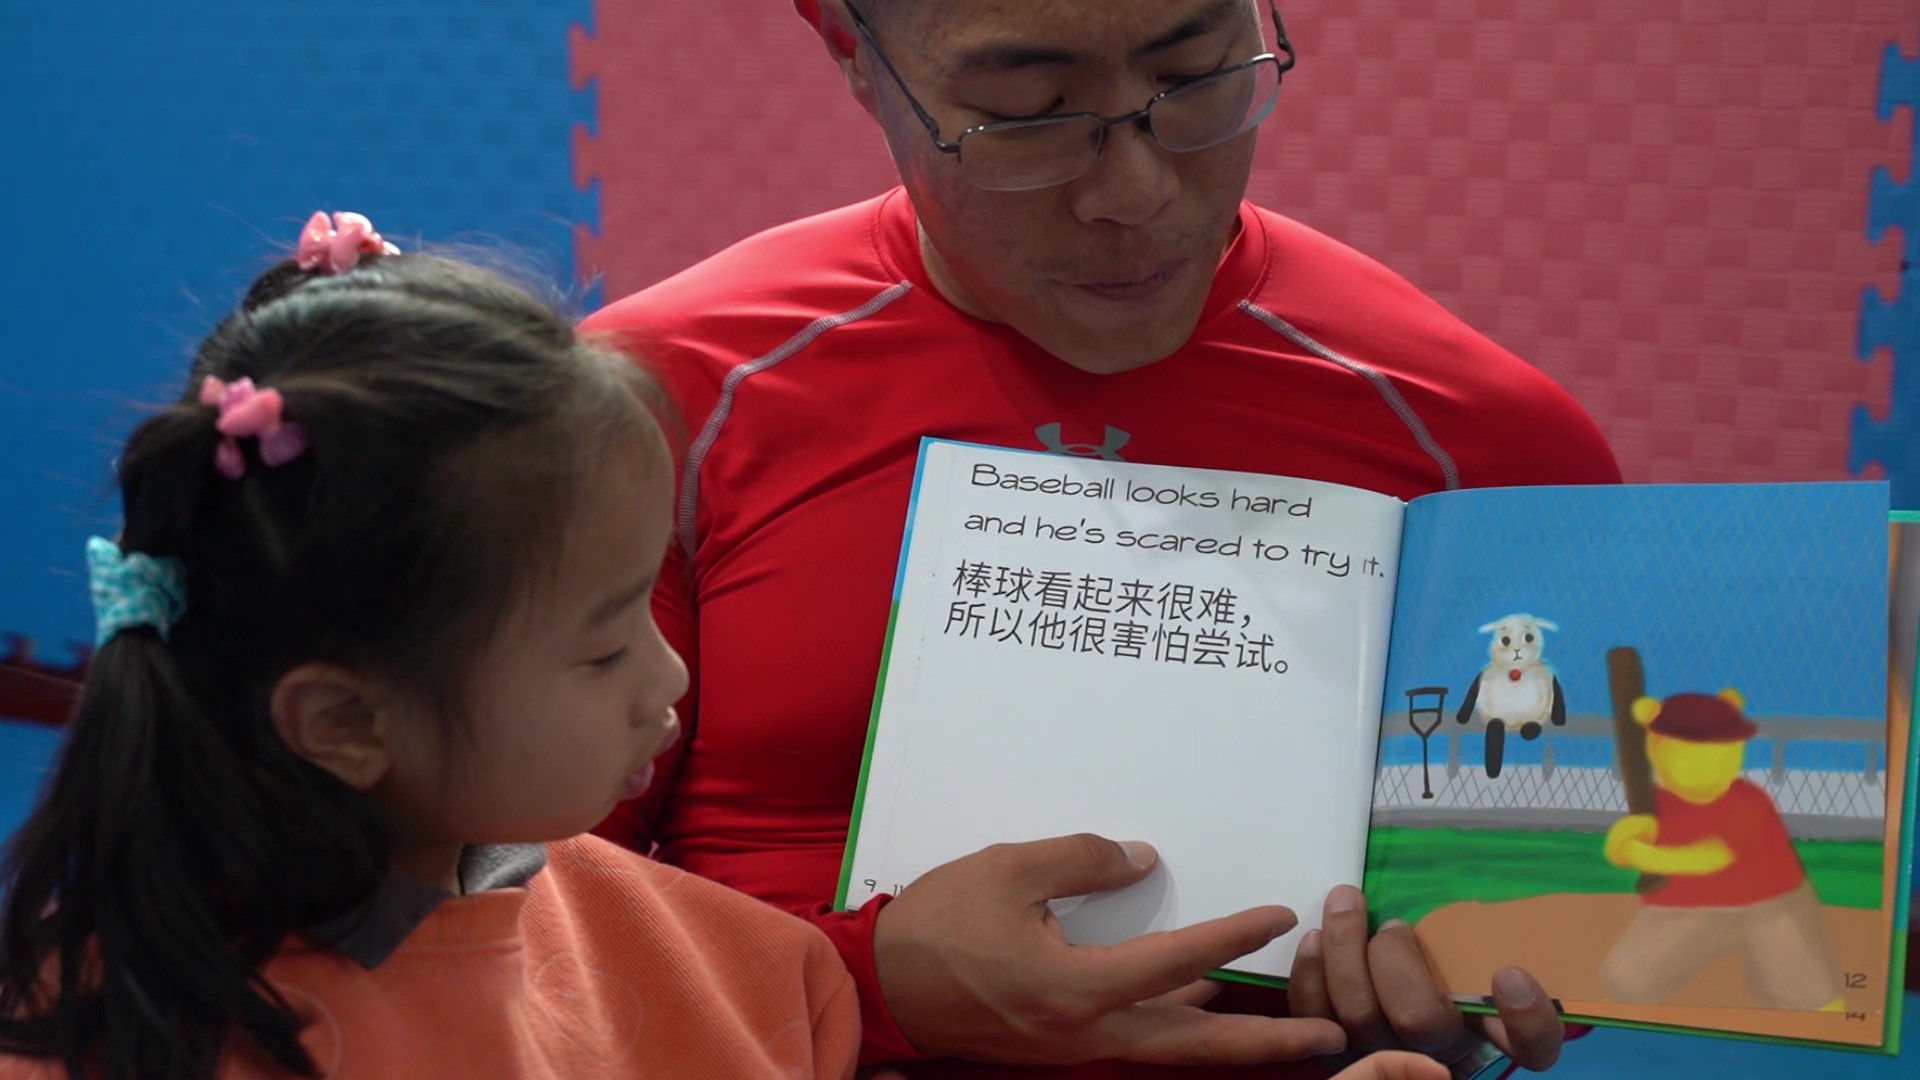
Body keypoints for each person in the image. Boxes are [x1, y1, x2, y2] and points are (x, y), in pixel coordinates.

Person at [583, 1, 1622, 1077]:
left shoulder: (1484, 444)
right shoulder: (647, 410)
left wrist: (1452, 1015)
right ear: (855, 55)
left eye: (1197, 79)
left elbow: (1564, 930)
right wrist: (868, 985)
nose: (1135, 194)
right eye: (1025, 117)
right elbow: (490, 930)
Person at [0, 212, 862, 1080]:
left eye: (648, 605)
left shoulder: (766, 987)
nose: (666, 675)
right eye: (602, 651)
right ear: (344, 720)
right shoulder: (109, 1046)